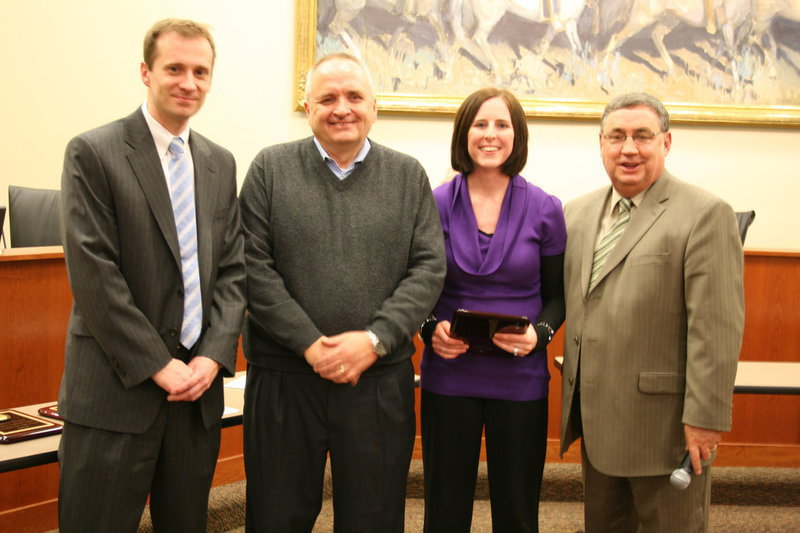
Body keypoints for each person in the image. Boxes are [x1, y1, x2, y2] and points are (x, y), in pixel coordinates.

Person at [238, 53, 446, 532]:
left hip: (377, 382)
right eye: (327, 98)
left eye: (354, 96)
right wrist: (312, 346)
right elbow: (252, 268)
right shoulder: (269, 169)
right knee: (275, 516)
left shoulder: (408, 174)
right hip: (285, 381)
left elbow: (428, 268)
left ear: (374, 106)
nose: (342, 108)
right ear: (307, 106)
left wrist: (372, 341)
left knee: (372, 519)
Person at [57, 19, 246, 532]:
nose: (189, 82)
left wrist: (212, 355)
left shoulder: (219, 163)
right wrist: (158, 363)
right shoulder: (93, 152)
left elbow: (233, 270)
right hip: (116, 392)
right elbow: (95, 275)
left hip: (195, 398)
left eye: (201, 71)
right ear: (146, 72)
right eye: (175, 69)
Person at [560, 92, 744, 532]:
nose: (629, 148)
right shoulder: (576, 214)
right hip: (598, 419)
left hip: (665, 429)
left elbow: (715, 328)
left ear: (666, 142)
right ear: (600, 143)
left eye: (643, 136)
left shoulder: (704, 214)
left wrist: (705, 419)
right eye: (617, 136)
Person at [420, 87, 567, 532]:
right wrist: (430, 331)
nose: (490, 134)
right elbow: (415, 288)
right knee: (444, 509)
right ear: (463, 133)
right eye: (479, 124)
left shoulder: (546, 208)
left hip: (520, 378)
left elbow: (558, 296)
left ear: (516, 135)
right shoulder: (433, 202)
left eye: (502, 124)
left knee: (518, 512)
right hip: (449, 373)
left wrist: (538, 335)